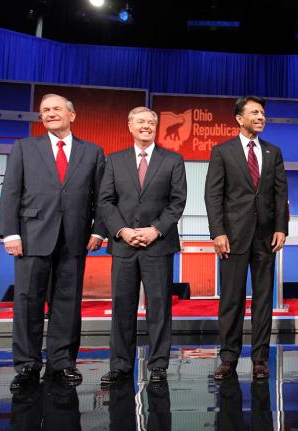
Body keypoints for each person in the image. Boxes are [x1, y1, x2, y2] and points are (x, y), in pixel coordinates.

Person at [0, 93, 105, 391]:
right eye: (45, 110)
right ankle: (27, 364)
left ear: (72, 115)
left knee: (68, 304)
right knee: (27, 302)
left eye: (56, 109)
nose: (50, 113)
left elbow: (102, 197)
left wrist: (99, 231)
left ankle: (62, 362)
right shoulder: (24, 147)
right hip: (31, 237)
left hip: (74, 238)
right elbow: (10, 193)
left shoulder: (93, 152)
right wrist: (11, 233)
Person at [98, 107, 187, 386]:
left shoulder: (173, 160)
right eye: (140, 122)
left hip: (158, 245)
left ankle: (158, 365)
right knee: (122, 307)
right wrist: (122, 231)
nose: (146, 126)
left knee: (159, 308)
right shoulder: (113, 161)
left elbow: (177, 202)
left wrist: (155, 230)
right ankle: (120, 365)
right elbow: (105, 202)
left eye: (150, 122)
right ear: (130, 126)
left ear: (156, 127)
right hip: (123, 246)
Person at [204, 95, 289, 381]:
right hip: (233, 237)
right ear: (239, 118)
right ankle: (228, 358)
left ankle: (260, 359)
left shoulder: (273, 152)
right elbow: (213, 195)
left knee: (264, 300)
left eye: (263, 113)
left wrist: (281, 227)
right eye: (255, 112)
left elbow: (280, 194)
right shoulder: (222, 151)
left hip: (266, 238)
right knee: (231, 300)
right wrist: (217, 232)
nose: (261, 117)